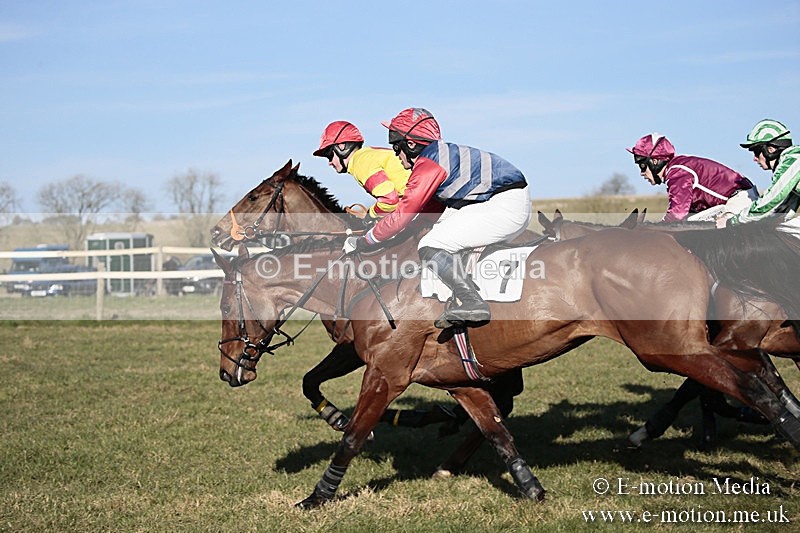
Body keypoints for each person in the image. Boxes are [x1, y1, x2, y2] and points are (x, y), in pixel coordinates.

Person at [342, 107, 531, 328]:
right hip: (498, 201)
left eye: (396, 146)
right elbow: (425, 213)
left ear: (410, 144)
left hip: (504, 205)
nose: (394, 153)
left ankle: (473, 303)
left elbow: (404, 213)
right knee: (430, 234)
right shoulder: (435, 156)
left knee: (431, 244)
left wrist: (366, 240)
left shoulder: (427, 165)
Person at [627, 133, 757, 223]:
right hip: (736, 199)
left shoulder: (677, 172)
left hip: (739, 202)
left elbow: (677, 215)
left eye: (643, 166)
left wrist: (656, 230)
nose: (641, 173)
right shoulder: (678, 166)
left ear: (655, 162)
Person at [313, 121, 410, 224]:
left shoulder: (360, 163)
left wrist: (370, 216)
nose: (330, 163)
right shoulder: (366, 155)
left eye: (329, 156)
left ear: (342, 147)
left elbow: (389, 200)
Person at [718, 119, 800, 228]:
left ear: (770, 149)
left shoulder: (792, 160)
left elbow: (772, 200)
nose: (755, 159)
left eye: (756, 152)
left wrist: (732, 221)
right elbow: (785, 210)